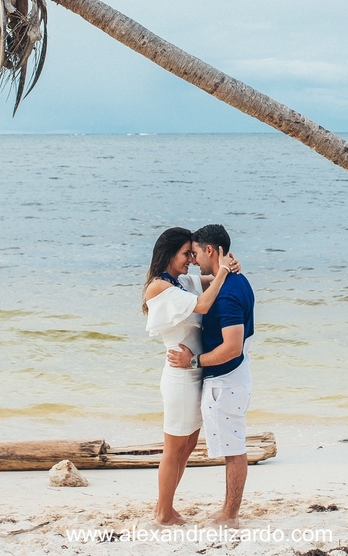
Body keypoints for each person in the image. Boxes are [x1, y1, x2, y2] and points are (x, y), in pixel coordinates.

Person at [142, 227, 240, 526]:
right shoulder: (159, 287)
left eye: (192, 253)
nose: (190, 260)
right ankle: (163, 512)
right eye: (186, 254)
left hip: (194, 372)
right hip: (180, 378)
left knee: (186, 447)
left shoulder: (181, 281)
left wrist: (229, 266)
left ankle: (166, 506)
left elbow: (209, 280)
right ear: (169, 253)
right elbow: (203, 304)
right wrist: (222, 272)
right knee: (174, 449)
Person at [168, 223, 255, 528]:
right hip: (235, 376)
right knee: (234, 446)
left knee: (233, 450)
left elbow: (231, 347)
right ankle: (229, 511)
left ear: (210, 250)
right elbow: (203, 282)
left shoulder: (227, 294)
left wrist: (194, 362)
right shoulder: (235, 280)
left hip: (226, 380)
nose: (193, 260)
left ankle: (230, 514)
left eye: (195, 253)